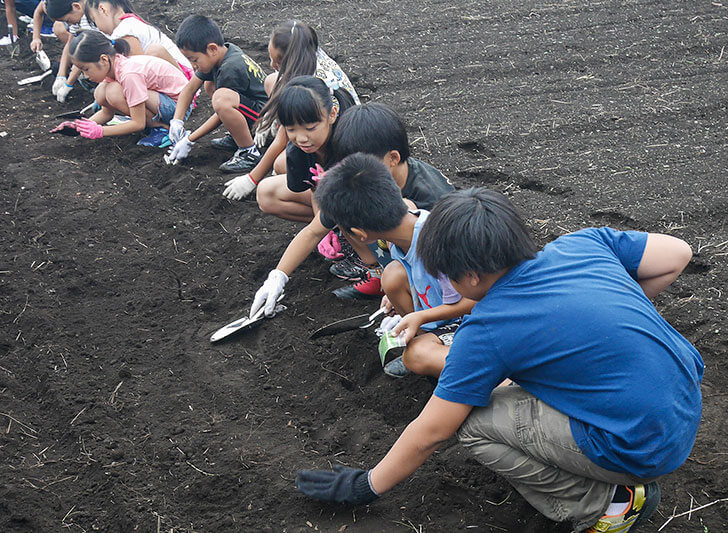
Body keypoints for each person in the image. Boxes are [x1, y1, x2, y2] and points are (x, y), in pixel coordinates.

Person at [295, 188, 703, 533]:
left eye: (447, 277)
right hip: (684, 404)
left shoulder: (490, 328)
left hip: (640, 447)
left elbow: (433, 431)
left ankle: (606, 504)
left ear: (470, 276)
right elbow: (677, 253)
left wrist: (365, 486)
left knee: (473, 422)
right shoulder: (585, 244)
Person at [307, 153, 477, 379]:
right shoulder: (402, 231)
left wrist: (419, 318)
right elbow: (411, 273)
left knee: (417, 355)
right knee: (392, 277)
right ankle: (427, 337)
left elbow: (473, 302)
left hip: (476, 319)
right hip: (444, 312)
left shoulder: (437, 244)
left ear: (359, 234)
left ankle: (492, 375)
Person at [326, 103, 455, 300]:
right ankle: (379, 275)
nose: (355, 174)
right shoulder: (370, 183)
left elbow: (458, 272)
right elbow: (313, 230)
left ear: (393, 158)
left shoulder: (431, 200)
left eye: (363, 165)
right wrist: (279, 275)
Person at [221, 19, 360, 201]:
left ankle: (331, 204)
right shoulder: (312, 54)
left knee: (281, 164)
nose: (271, 64)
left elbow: (282, 139)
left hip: (338, 144)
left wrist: (251, 179)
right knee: (272, 80)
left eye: (278, 60)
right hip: (333, 126)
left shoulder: (309, 86)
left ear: (292, 59)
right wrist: (270, 116)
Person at [164, 16, 268, 173]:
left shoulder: (231, 68)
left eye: (194, 59)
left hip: (267, 121)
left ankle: (249, 152)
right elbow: (189, 89)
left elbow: (221, 111)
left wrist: (189, 139)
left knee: (221, 99)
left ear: (212, 49)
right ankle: (238, 135)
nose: (192, 65)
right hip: (253, 108)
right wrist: (176, 121)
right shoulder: (223, 52)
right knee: (210, 85)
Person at [52, 30, 189, 140]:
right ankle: (154, 122)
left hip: (179, 107)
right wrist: (79, 127)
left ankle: (160, 127)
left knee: (113, 92)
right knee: (100, 93)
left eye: (86, 69)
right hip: (161, 101)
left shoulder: (129, 74)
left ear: (104, 59)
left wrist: (101, 131)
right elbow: (106, 113)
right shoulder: (114, 67)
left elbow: (138, 123)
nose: (86, 76)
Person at [254, 75, 356, 222]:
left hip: (364, 197)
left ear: (332, 115)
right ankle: (333, 225)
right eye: (291, 129)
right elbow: (315, 189)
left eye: (310, 128)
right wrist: (321, 228)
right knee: (266, 194)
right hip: (333, 194)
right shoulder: (300, 149)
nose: (301, 138)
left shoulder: (351, 142)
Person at [84, 0, 193, 78]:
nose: (98, 28)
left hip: (181, 80)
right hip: (181, 73)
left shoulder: (124, 31)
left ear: (103, 9)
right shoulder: (130, 21)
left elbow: (138, 70)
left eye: (94, 21)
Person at [32, 0, 95, 103]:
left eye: (68, 20)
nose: (68, 24)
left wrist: (68, 84)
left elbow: (85, 52)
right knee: (58, 68)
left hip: (102, 56)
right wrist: (60, 76)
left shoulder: (88, 20)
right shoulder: (78, 18)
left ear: (76, 7)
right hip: (91, 52)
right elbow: (70, 43)